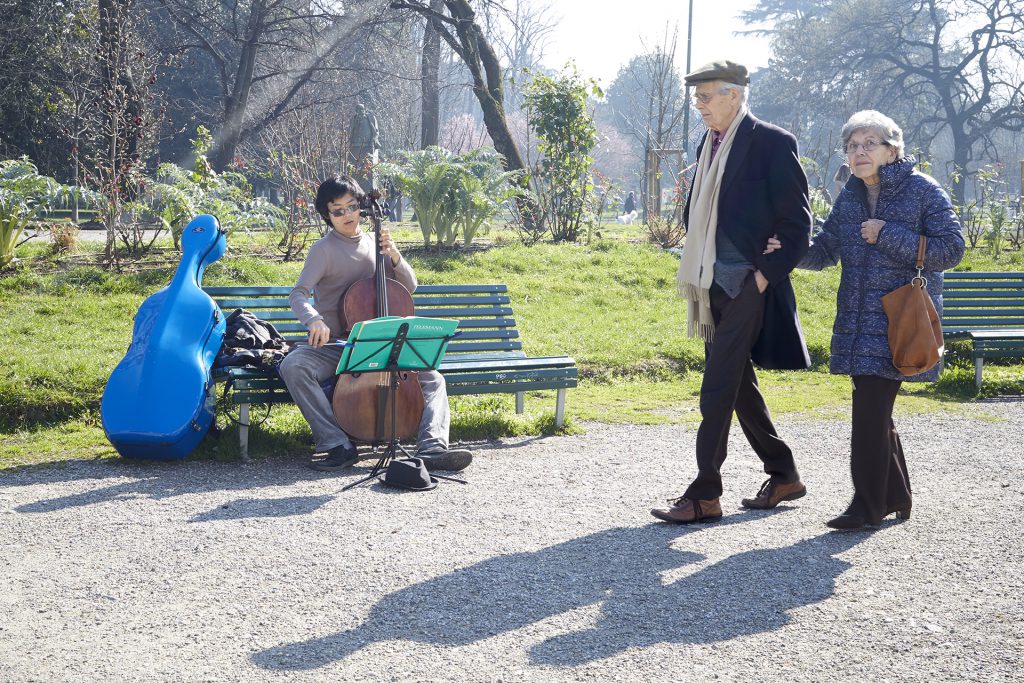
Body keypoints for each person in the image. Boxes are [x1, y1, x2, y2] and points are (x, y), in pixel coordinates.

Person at [650, 60, 813, 524]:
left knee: (718, 384)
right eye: (696, 97)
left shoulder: (772, 143)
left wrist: (762, 277)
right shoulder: (709, 143)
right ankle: (784, 473)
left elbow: (798, 224)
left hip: (748, 284)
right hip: (710, 282)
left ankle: (704, 493)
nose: (698, 105)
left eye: (706, 96)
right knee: (738, 385)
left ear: (735, 95)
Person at [792, 110, 964, 529]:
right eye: (852, 146)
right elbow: (824, 252)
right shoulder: (850, 197)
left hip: (900, 321)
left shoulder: (922, 190)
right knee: (875, 411)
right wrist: (788, 248)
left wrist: (886, 234)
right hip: (857, 322)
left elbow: (952, 249)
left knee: (869, 412)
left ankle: (866, 505)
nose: (859, 152)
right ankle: (895, 496)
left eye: (869, 143)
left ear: (893, 149)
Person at [278, 175, 473, 473]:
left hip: (382, 344)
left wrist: (395, 257)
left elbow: (411, 286)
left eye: (352, 207)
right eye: (338, 210)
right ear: (327, 215)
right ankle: (335, 444)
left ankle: (432, 448)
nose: (347, 216)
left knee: (433, 378)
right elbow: (298, 294)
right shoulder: (323, 250)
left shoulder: (377, 242)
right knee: (294, 366)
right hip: (339, 346)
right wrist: (314, 319)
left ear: (362, 208)